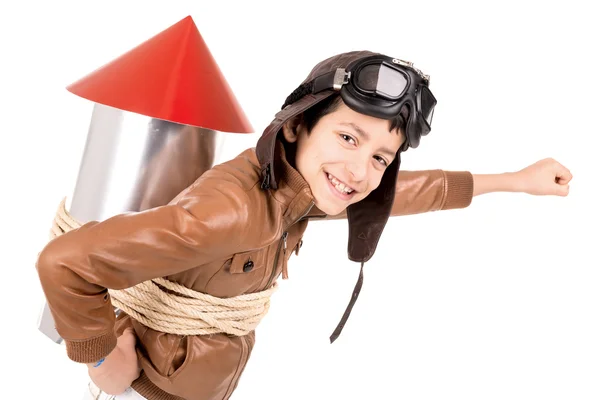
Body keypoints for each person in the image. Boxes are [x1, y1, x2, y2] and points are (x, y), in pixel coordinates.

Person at [36, 50, 572, 400]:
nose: (362, 172)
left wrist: (516, 180)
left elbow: (399, 193)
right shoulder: (235, 211)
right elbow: (63, 262)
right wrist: (101, 361)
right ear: (296, 128)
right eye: (348, 138)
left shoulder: (300, 186)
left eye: (382, 156)